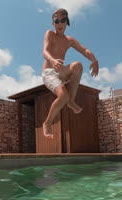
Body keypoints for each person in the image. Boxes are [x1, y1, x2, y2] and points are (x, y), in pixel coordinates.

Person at [41, 8, 99, 138]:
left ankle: (71, 101)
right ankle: (47, 123)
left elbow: (85, 51)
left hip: (60, 71)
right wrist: (52, 60)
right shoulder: (49, 33)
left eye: (63, 20)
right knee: (63, 96)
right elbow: (44, 51)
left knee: (77, 65)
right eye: (57, 21)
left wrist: (94, 60)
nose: (60, 23)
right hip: (49, 72)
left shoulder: (69, 40)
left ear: (67, 22)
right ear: (53, 24)